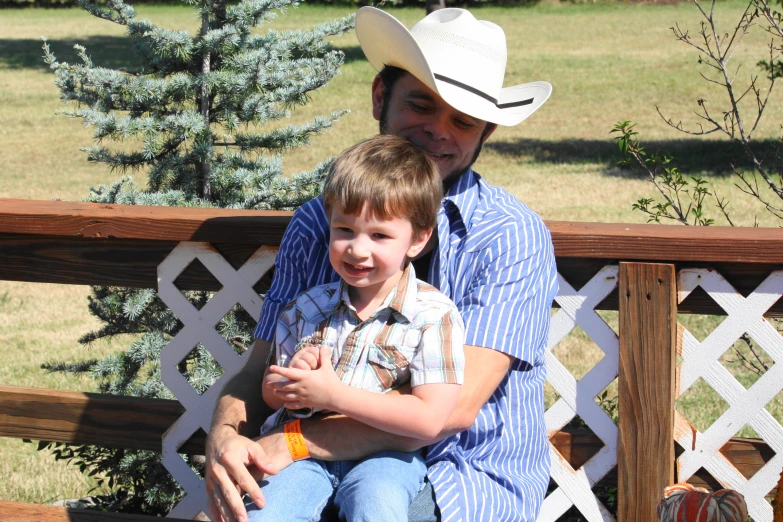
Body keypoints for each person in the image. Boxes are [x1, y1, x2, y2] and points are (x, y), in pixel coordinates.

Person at [205, 6, 559, 522]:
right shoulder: (318, 225)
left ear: (486, 131)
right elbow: (261, 365)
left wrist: (297, 442)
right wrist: (225, 435)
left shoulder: (509, 236)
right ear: (380, 97)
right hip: (310, 467)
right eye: (421, 104)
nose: (438, 130)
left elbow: (452, 413)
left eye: (462, 120)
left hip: (461, 472)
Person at [247, 134, 465, 522]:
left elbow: (430, 419)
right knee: (265, 512)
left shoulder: (433, 315)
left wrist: (333, 395)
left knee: (378, 507)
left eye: (379, 235)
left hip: (386, 458)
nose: (357, 249)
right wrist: (291, 379)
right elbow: (269, 394)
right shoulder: (308, 308)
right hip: (301, 453)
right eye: (344, 230)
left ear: (418, 239)